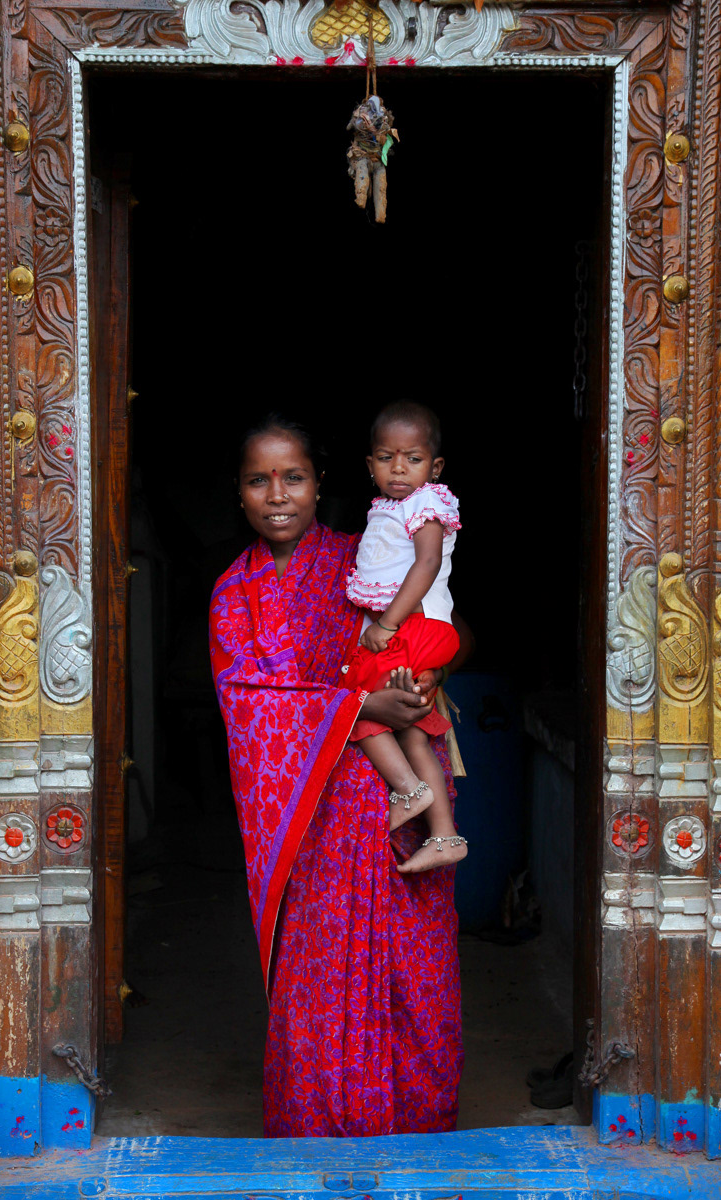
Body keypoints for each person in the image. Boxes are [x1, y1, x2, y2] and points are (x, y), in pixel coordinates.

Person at [209, 414, 464, 1138]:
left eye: (293, 477)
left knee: (409, 968)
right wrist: (358, 705)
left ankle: (415, 1130)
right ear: (238, 493)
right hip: (309, 823)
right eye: (258, 480)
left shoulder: (366, 559)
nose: (277, 495)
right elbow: (248, 706)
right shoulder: (233, 594)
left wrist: (425, 678)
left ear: (321, 484)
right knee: (320, 975)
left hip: (395, 808)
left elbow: (450, 625)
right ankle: (319, 1130)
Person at [343, 401, 467, 873]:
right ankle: (444, 835)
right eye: (385, 457)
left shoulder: (427, 504)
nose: (398, 468)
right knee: (414, 732)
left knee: (352, 698)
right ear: (369, 464)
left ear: (434, 467)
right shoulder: (389, 508)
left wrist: (387, 624)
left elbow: (428, 563)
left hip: (417, 627)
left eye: (412, 459)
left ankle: (408, 790)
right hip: (415, 631)